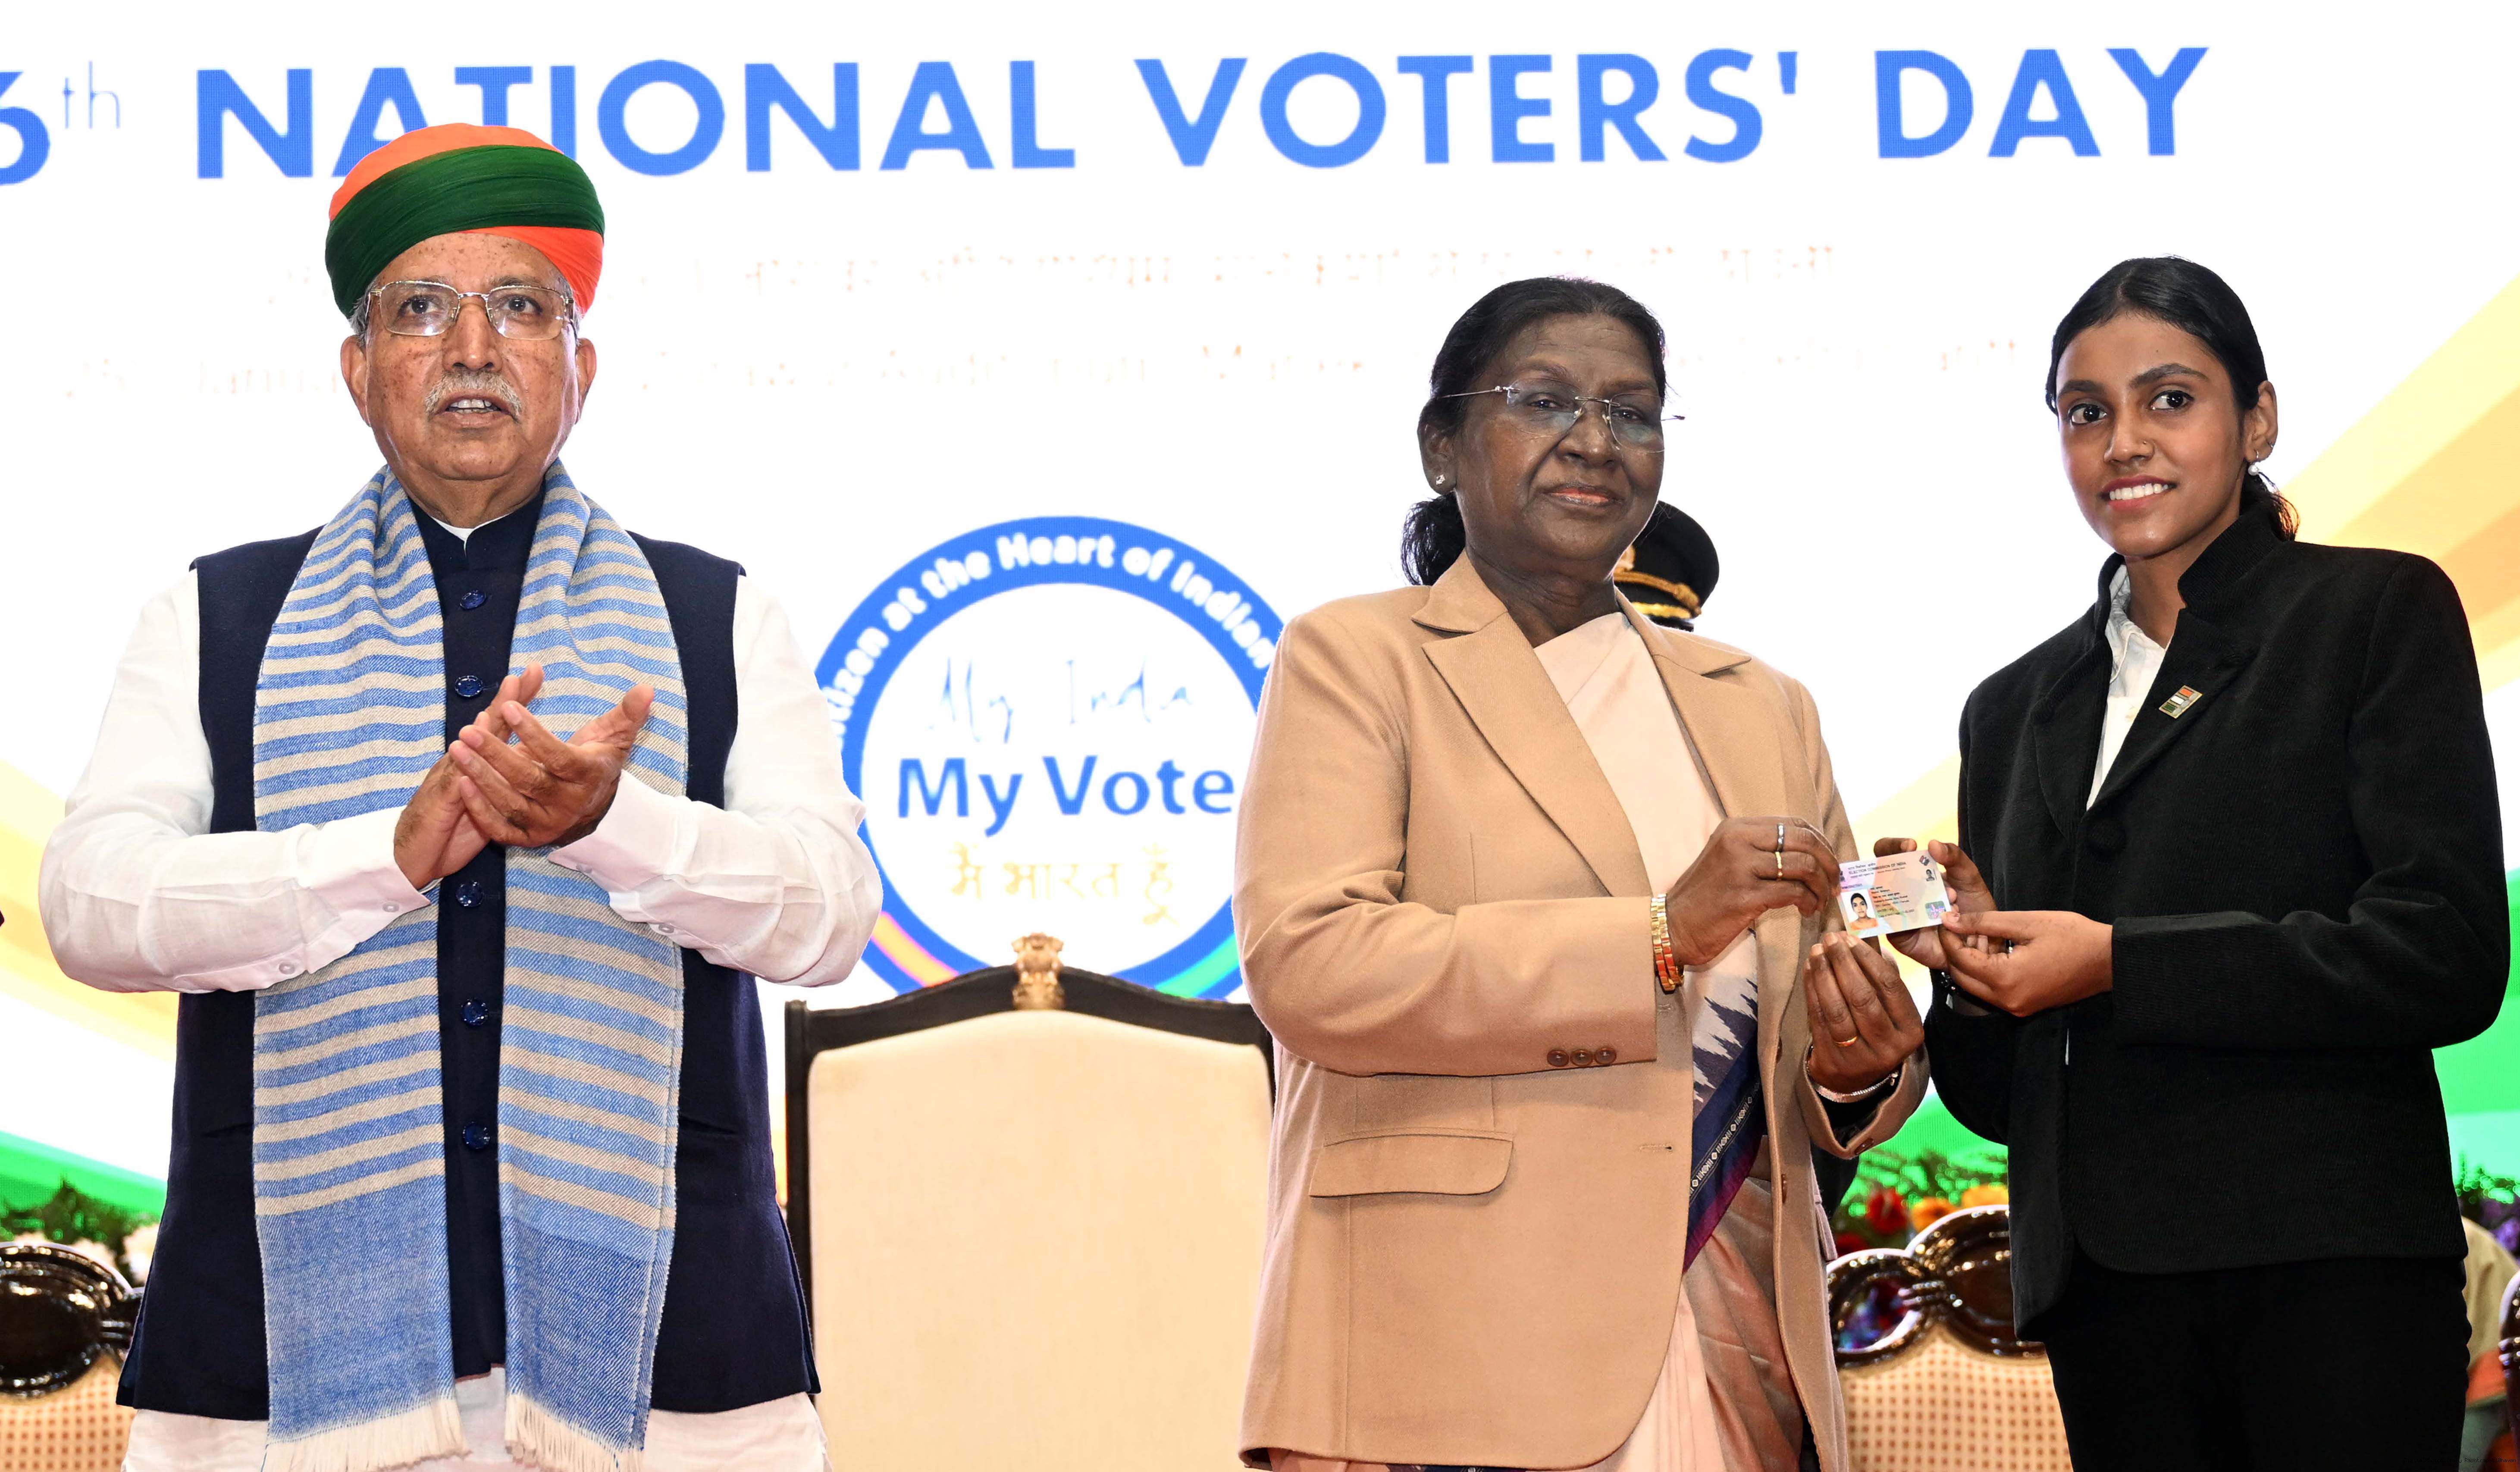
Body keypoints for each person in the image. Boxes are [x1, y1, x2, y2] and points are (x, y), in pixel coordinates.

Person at [38, 124, 883, 1472]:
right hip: (278, 1372)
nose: (475, 348)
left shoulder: (717, 614)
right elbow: (90, 907)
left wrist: (612, 826)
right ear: (358, 368)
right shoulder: (215, 614)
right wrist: (381, 857)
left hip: (674, 1376)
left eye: (523, 309)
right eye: (423, 310)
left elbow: (829, 918)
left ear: (580, 368)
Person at [1234, 276, 1927, 1472]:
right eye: (1545, 400)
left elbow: (1814, 1024)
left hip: (1732, 1338)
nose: (1595, 440)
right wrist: (1659, 934)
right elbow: (1313, 965)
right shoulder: (1355, 658)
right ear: (1443, 444)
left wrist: (1858, 1066)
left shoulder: (1761, 706)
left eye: (1632, 411)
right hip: (1453, 1336)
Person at [1884, 257, 2505, 1469]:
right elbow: (2004, 1101)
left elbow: (2443, 954)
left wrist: (2117, 963)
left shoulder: (2371, 613)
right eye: (2085, 412)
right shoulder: (2013, 707)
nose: (2124, 441)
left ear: (2256, 420)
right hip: (2106, 1302)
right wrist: (1970, 972)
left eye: (2169, 399)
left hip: (2330, 1277)